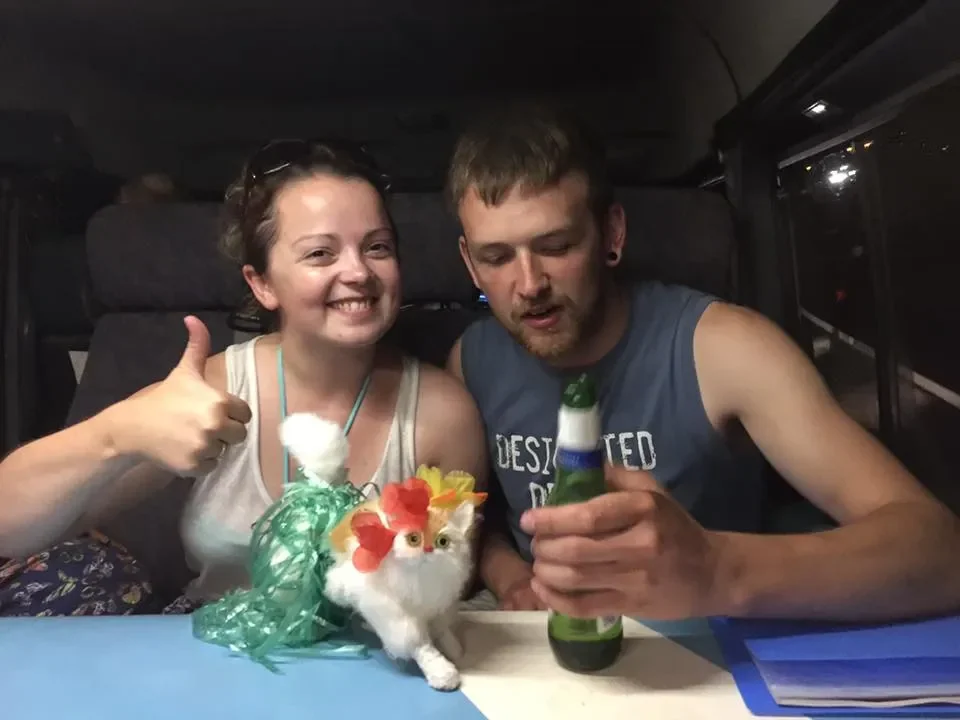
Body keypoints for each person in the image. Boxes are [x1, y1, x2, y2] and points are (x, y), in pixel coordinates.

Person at [445, 104, 960, 622]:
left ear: (612, 235)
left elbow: (940, 551)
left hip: (706, 655)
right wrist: (512, 577)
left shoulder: (726, 347)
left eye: (556, 246)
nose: (530, 283)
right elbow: (474, 517)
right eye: (497, 258)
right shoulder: (471, 360)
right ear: (470, 262)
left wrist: (718, 570)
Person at [0, 140, 486, 614]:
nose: (358, 271)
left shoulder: (444, 417)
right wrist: (117, 434)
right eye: (321, 253)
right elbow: (9, 526)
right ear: (263, 283)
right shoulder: (210, 391)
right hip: (213, 659)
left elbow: (445, 589)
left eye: (377, 247)